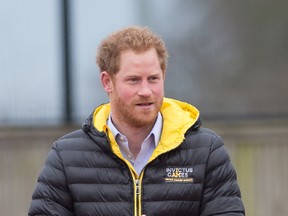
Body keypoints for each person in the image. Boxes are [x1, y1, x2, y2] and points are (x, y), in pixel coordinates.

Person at [29, 26, 245, 216]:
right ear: (107, 82)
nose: (145, 91)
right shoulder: (66, 158)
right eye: (133, 80)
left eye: (153, 79)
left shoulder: (206, 151)